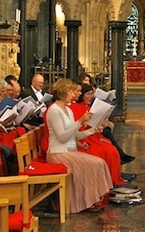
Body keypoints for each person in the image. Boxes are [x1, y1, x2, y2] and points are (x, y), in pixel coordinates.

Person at [45, 78, 113, 213]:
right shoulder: (54, 111)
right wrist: (80, 121)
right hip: (58, 153)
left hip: (70, 150)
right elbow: (63, 137)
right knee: (91, 165)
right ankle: (85, 202)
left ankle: (90, 200)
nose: (75, 94)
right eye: (72, 91)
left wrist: (93, 130)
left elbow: (75, 135)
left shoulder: (68, 110)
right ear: (64, 92)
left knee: (99, 163)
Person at [69, 84, 128, 185]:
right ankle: (103, 183)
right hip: (80, 141)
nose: (92, 96)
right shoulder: (72, 108)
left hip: (88, 137)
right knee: (102, 152)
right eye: (89, 94)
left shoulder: (84, 106)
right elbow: (73, 130)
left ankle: (111, 180)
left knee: (110, 148)